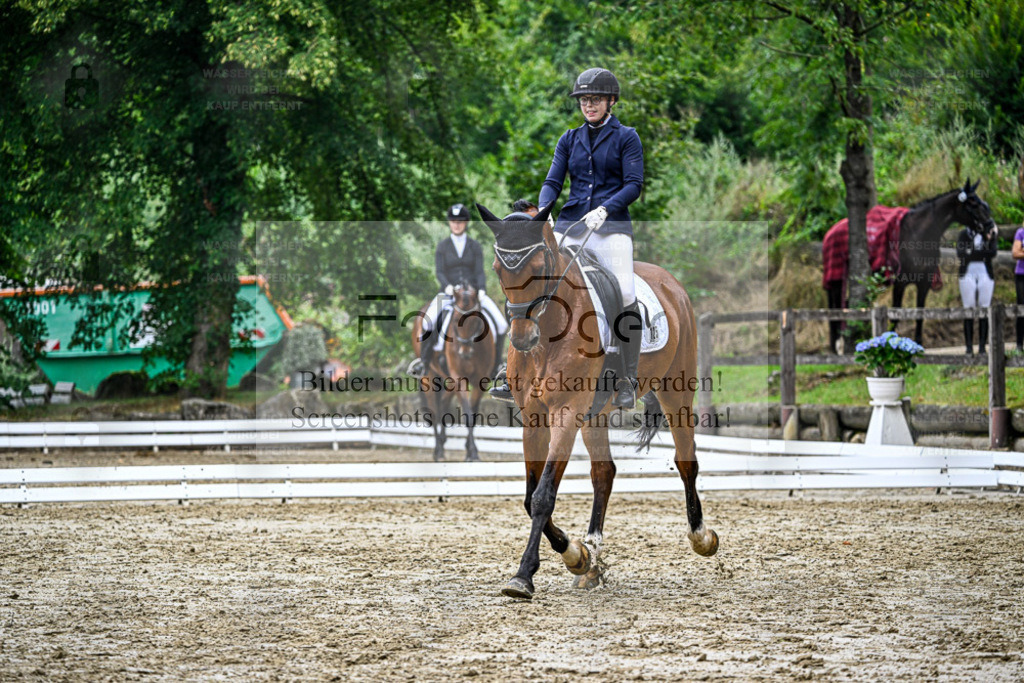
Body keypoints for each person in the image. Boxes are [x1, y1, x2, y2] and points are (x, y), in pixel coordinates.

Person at [538, 67, 644, 409]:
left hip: (610, 227)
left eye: (595, 99)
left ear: (611, 101)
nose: (589, 105)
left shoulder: (627, 137)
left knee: (625, 291)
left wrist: (606, 209)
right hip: (571, 225)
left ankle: (627, 377)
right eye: (584, 99)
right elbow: (553, 182)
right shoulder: (569, 139)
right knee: (535, 279)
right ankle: (518, 367)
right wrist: (544, 210)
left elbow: (634, 184)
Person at [409, 203, 508, 378]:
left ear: (466, 223)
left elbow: (479, 271)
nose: (457, 225)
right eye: (454, 221)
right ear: (449, 223)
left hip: (473, 294)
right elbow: (440, 271)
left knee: (501, 324)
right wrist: (447, 286)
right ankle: (424, 363)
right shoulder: (443, 246)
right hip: (448, 293)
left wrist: (481, 289)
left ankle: (498, 364)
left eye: (460, 221)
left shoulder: (474, 246)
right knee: (427, 323)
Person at [956, 223, 998, 355]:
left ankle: (982, 347)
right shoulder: (964, 234)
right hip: (967, 273)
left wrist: (971, 252)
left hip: (985, 273)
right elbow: (960, 253)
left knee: (984, 308)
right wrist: (981, 254)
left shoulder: (989, 234)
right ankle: (969, 347)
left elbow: (992, 252)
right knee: (968, 308)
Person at [1014, 222, 1024, 352]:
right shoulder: (1020, 233)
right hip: (1021, 274)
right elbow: (1015, 253)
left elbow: (1020, 251)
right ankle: (1019, 343)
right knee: (1021, 307)